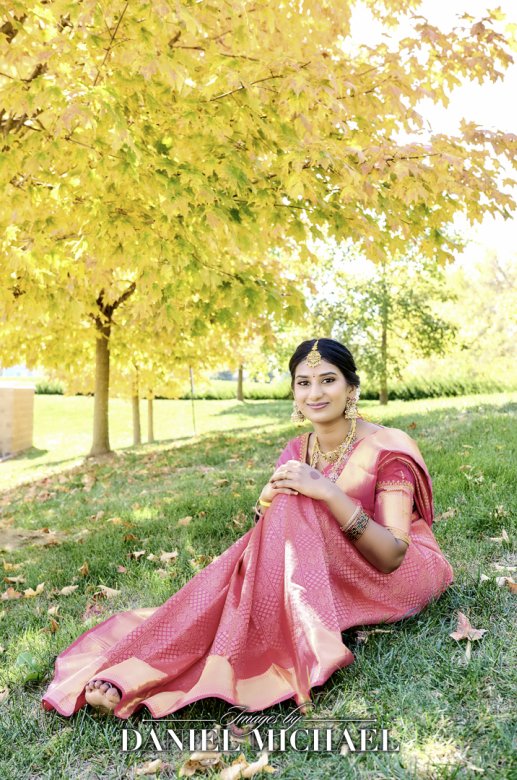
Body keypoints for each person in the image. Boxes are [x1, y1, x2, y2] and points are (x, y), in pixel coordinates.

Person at [41, 338, 454, 719]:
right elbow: (271, 535)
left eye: (328, 380)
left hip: (398, 575)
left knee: (277, 531)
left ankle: (269, 652)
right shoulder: (297, 450)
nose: (315, 393)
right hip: (327, 571)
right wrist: (264, 501)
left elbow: (393, 555)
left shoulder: (387, 449)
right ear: (293, 393)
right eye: (303, 382)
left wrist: (327, 491)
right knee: (245, 568)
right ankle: (145, 660)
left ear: (351, 388)